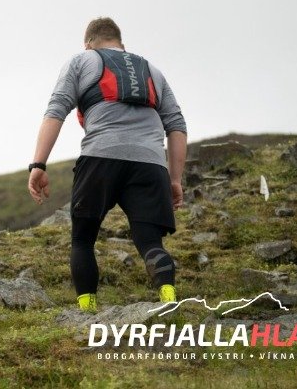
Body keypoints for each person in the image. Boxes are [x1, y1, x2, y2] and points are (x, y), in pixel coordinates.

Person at [26, 17, 187, 313]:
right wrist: (175, 179)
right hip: (150, 163)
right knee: (150, 241)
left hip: (100, 157)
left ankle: (87, 309)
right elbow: (176, 124)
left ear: (88, 44)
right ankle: (167, 297)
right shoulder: (152, 71)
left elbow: (56, 109)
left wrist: (38, 164)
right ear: (121, 44)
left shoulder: (82, 60)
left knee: (83, 239)